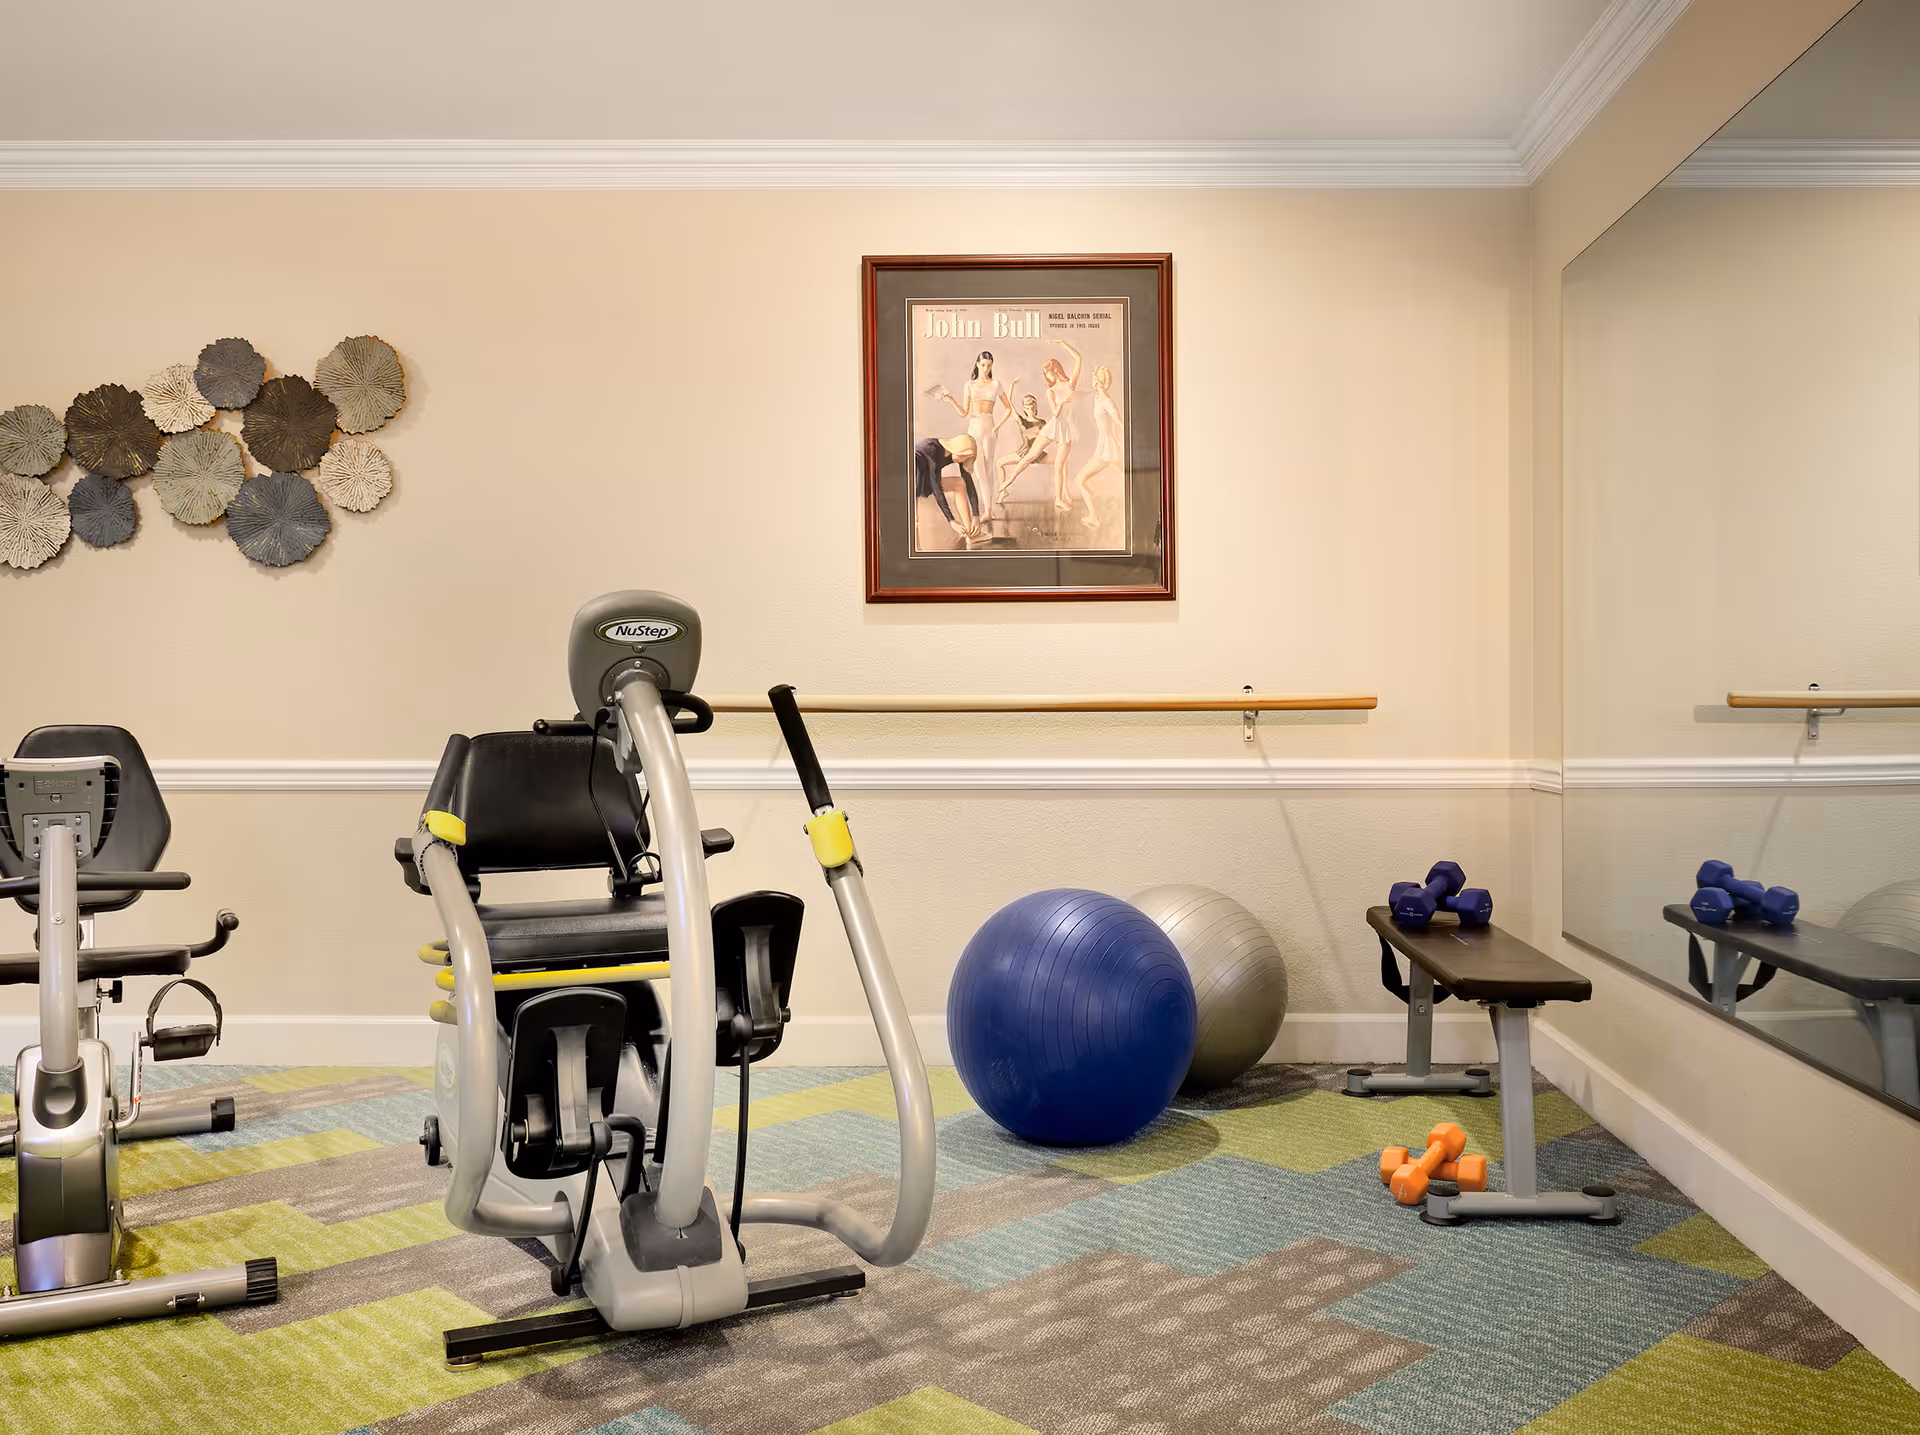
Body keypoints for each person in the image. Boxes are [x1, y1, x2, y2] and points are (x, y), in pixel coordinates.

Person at [997, 338, 1082, 513]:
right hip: (1054, 425)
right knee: (1030, 455)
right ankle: (1009, 480)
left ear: (1055, 370)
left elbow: (1079, 359)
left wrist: (1062, 343)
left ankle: (1058, 499)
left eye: (1048, 372)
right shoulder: (1050, 391)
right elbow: (1056, 413)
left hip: (1066, 429)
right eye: (1045, 373)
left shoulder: (1070, 385)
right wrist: (1064, 401)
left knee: (1059, 464)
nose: (1047, 375)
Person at [936, 352, 1011, 514]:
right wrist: (952, 401)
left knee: (989, 468)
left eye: (989, 365)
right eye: (983, 364)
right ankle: (987, 511)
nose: (986, 368)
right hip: (975, 428)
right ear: (977, 364)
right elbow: (964, 413)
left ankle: (989, 511)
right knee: (979, 470)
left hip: (989, 427)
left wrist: (997, 427)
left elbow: (1009, 408)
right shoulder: (969, 385)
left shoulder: (996, 384)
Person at [1071, 366, 1123, 529]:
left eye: (1095, 378)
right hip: (1105, 446)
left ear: (1099, 382)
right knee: (1127, 477)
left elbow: (1119, 423)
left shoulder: (1107, 402)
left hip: (1109, 447)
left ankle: (1095, 518)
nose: (1092, 380)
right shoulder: (1097, 399)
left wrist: (1128, 442)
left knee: (1080, 480)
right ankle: (1095, 518)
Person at [913, 432, 984, 545]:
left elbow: (968, 481)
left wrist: (976, 515)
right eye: (964, 455)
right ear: (957, 448)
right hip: (911, 479)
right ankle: (916, 548)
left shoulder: (957, 455)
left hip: (925, 479)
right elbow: (937, 488)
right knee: (914, 517)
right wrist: (951, 521)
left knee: (960, 484)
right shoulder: (932, 449)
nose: (963, 459)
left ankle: (970, 533)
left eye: (967, 457)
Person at [995, 389, 1052, 501]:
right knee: (999, 463)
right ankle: (1003, 493)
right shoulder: (1021, 421)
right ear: (1024, 409)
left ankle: (1063, 493)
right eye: (1027, 407)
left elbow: (1048, 437)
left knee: (1062, 461)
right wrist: (1011, 387)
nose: (1030, 410)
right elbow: (1009, 404)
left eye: (1032, 407)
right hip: (1024, 452)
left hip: (1038, 454)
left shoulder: (1042, 422)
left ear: (1036, 408)